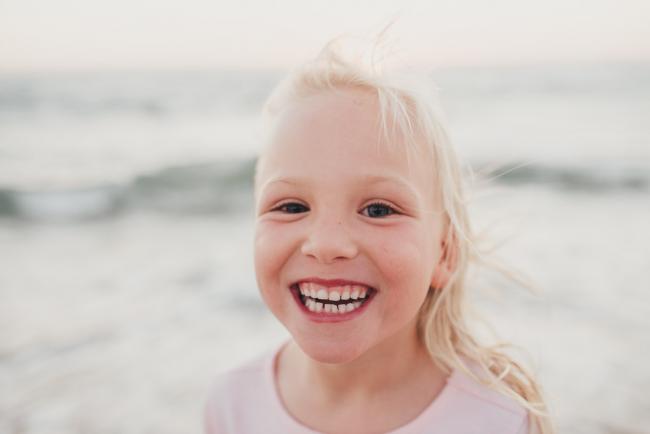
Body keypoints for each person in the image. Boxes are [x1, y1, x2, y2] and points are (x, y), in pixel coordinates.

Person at [203, 36, 554, 434]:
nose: (327, 245)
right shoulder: (232, 405)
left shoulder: (497, 417)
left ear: (444, 253)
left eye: (378, 210)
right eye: (291, 207)